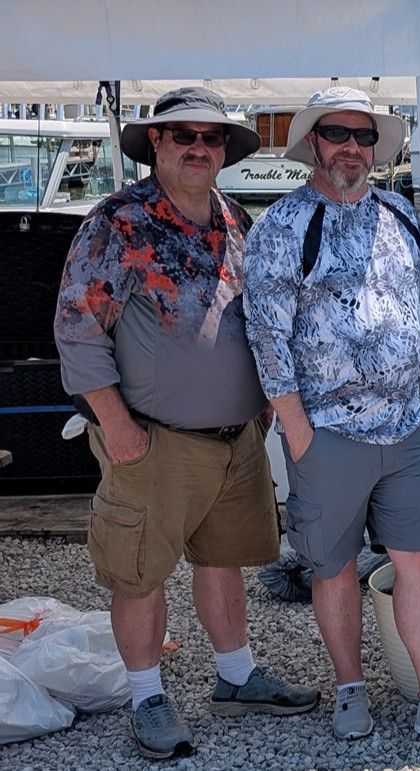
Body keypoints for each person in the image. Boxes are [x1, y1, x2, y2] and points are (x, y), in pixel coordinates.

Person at [53, 86, 319, 759]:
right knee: (138, 572)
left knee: (222, 558)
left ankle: (236, 675)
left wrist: (264, 408)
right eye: (182, 136)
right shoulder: (116, 222)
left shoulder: (236, 219)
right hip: (151, 438)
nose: (198, 146)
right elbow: (77, 331)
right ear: (157, 147)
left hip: (236, 440)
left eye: (211, 136)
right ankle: (146, 694)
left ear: (225, 149)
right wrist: (115, 425)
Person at [242, 87, 420, 747]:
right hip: (327, 435)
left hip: (408, 427)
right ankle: (349, 687)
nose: (352, 148)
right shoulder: (279, 225)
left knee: (418, 562)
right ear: (313, 144)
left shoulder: (400, 213)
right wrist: (299, 433)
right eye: (338, 134)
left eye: (364, 137)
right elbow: (267, 340)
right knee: (332, 568)